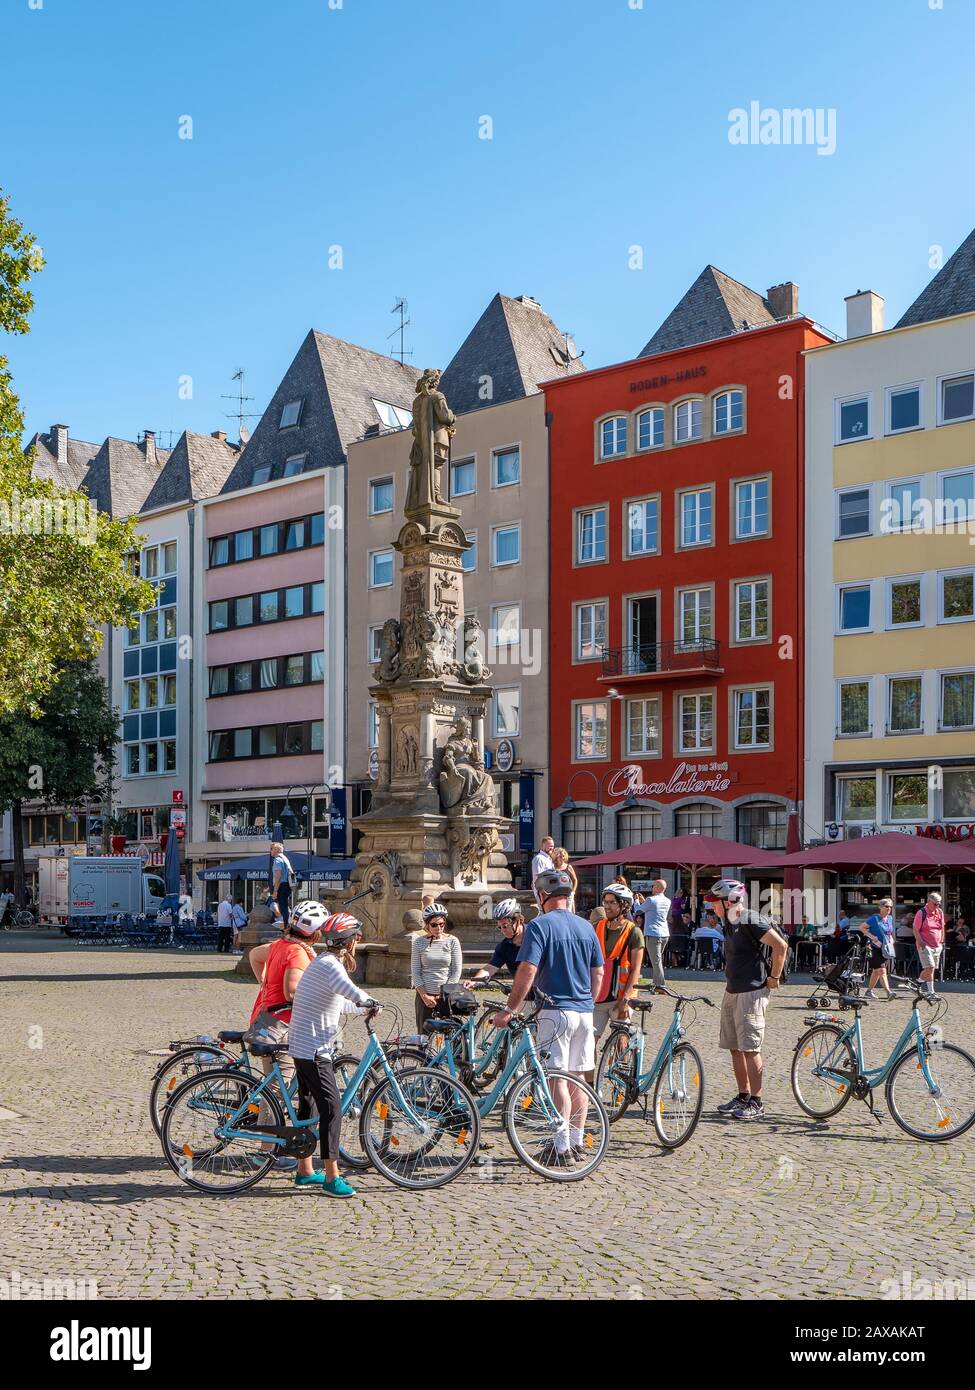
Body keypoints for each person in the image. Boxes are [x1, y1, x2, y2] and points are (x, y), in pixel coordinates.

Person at [491, 868, 603, 1169]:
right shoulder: (587, 927)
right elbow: (599, 973)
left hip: (555, 1011)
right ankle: (578, 1142)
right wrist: (587, 1002)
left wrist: (509, 1010)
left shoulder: (540, 927)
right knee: (578, 1078)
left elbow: (527, 970)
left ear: (542, 896)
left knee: (556, 1079)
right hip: (583, 1011)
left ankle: (561, 1146)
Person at [288, 911, 380, 1198]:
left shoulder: (324, 962)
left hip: (304, 1045)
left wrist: (365, 1006)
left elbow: (340, 1002)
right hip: (315, 1048)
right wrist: (368, 1000)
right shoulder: (330, 966)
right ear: (349, 941)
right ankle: (331, 1177)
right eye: (357, 938)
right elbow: (350, 991)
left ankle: (304, 1171)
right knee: (332, 1107)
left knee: (309, 1105)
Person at [247, 899, 331, 1173]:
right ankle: (265, 1151)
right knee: (277, 1088)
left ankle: (274, 1143)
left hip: (266, 1019)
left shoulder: (281, 945)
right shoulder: (297, 952)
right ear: (316, 932)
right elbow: (292, 992)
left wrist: (264, 984)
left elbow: (254, 957)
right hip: (281, 1027)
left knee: (277, 1084)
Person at [707, 878, 788, 1122]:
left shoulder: (751, 919)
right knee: (734, 1046)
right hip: (732, 990)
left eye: (715, 902)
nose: (712, 907)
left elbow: (780, 945)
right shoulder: (729, 922)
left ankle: (757, 1100)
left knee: (751, 1047)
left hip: (752, 991)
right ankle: (743, 1096)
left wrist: (774, 977)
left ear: (729, 900)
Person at [591, 885, 644, 1058]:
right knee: (587, 1043)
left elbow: (636, 969)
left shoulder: (634, 932)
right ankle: (590, 1084)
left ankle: (624, 1080)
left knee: (622, 1042)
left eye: (612, 903)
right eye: (605, 902)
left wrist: (626, 999)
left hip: (621, 997)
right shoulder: (596, 927)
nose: (607, 906)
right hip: (598, 997)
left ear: (624, 906)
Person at [410, 902, 463, 1031]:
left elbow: (456, 971)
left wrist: (444, 994)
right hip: (425, 996)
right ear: (427, 925)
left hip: (445, 997)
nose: (438, 928)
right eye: (434, 925)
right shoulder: (419, 942)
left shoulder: (452, 941)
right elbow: (416, 971)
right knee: (423, 1037)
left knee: (450, 1035)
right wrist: (424, 996)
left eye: (441, 924)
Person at [464, 898, 528, 990]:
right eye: (499, 927)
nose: (502, 931)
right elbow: (489, 968)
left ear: (517, 921)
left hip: (546, 991)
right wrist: (474, 981)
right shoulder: (504, 946)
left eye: (505, 926)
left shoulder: (535, 935)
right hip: (523, 993)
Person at [633, 878, 670, 989]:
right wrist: (644, 901)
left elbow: (638, 911)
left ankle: (661, 985)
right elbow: (653, 909)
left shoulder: (651, 900)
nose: (652, 888)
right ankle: (655, 982)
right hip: (664, 933)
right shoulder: (668, 900)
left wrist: (636, 901)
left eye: (653, 886)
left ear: (658, 887)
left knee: (656, 961)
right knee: (657, 959)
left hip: (653, 933)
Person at [859, 897, 896, 999]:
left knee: (876, 972)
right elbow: (861, 927)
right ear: (881, 907)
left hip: (885, 949)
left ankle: (869, 992)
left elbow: (889, 933)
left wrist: (891, 940)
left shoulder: (890, 919)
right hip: (873, 948)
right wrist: (872, 937)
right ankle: (889, 992)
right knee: (882, 971)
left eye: (890, 907)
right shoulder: (874, 919)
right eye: (887, 906)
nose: (889, 908)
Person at [913, 891, 945, 995]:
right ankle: (931, 991)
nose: (937, 905)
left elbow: (942, 928)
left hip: (937, 945)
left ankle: (917, 983)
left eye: (939, 903)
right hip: (925, 944)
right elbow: (915, 929)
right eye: (935, 903)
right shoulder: (921, 913)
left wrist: (942, 941)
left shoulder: (939, 912)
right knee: (930, 967)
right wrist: (921, 942)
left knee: (931, 969)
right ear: (929, 902)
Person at [268, 841, 294, 925]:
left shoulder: (278, 859)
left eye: (271, 849)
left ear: (276, 850)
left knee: (283, 907)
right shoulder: (285, 858)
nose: (270, 851)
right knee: (284, 906)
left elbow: (278, 876)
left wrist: (275, 891)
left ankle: (286, 926)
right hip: (287, 885)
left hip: (282, 885)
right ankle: (287, 924)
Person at [531, 836, 556, 910]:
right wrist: (542, 893)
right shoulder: (539, 859)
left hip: (549, 892)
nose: (551, 848)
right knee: (544, 912)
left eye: (553, 846)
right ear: (543, 846)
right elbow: (539, 876)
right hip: (542, 893)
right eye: (549, 846)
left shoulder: (548, 859)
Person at [551, 847, 578, 914]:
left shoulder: (568, 867)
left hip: (568, 893)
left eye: (563, 856)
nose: (562, 858)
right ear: (556, 857)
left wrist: (573, 892)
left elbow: (575, 880)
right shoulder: (552, 867)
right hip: (556, 893)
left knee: (568, 911)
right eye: (560, 856)